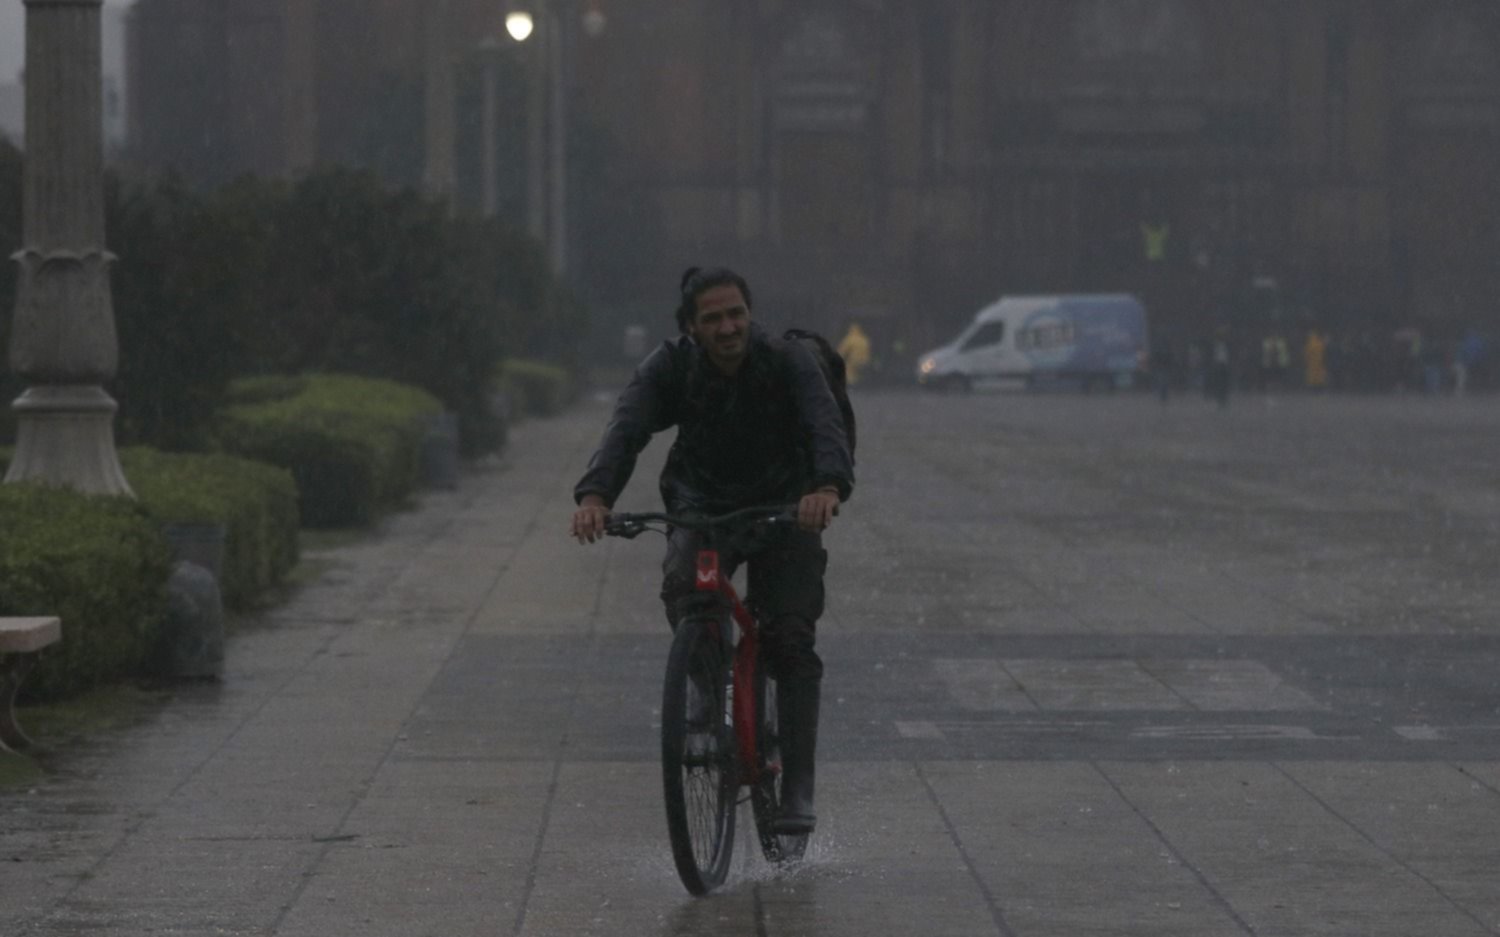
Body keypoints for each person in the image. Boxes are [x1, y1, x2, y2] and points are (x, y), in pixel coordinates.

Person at [570, 266, 854, 835]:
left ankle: (797, 787)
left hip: (785, 502)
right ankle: (706, 681)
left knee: (790, 638)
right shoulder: (670, 367)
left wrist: (825, 488)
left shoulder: (786, 360)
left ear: (750, 315)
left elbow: (826, 423)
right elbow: (626, 427)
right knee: (687, 591)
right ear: (691, 328)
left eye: (736, 315)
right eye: (712, 319)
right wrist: (596, 495)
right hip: (702, 500)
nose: (728, 328)